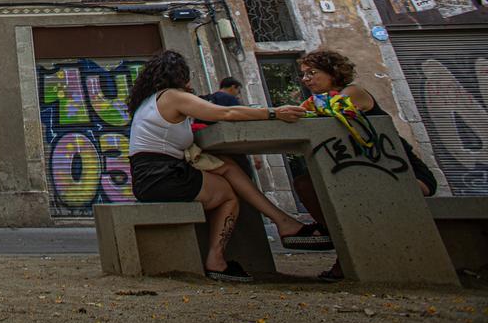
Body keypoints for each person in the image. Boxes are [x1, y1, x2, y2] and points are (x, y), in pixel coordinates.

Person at [128, 50, 332, 282]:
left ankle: (285, 222)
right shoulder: (173, 96)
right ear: (179, 76)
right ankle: (217, 260)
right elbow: (225, 112)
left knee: (227, 165)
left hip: (151, 175)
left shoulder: (149, 101)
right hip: (162, 176)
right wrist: (273, 112)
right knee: (228, 196)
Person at [292, 49, 438, 281]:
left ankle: (354, 256)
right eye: (304, 74)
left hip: (403, 174)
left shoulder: (353, 93)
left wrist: (297, 111)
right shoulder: (315, 102)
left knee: (357, 194)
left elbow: (331, 107)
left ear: (333, 73)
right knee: (304, 184)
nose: (306, 79)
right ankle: (338, 237)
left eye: (312, 72)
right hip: (359, 175)